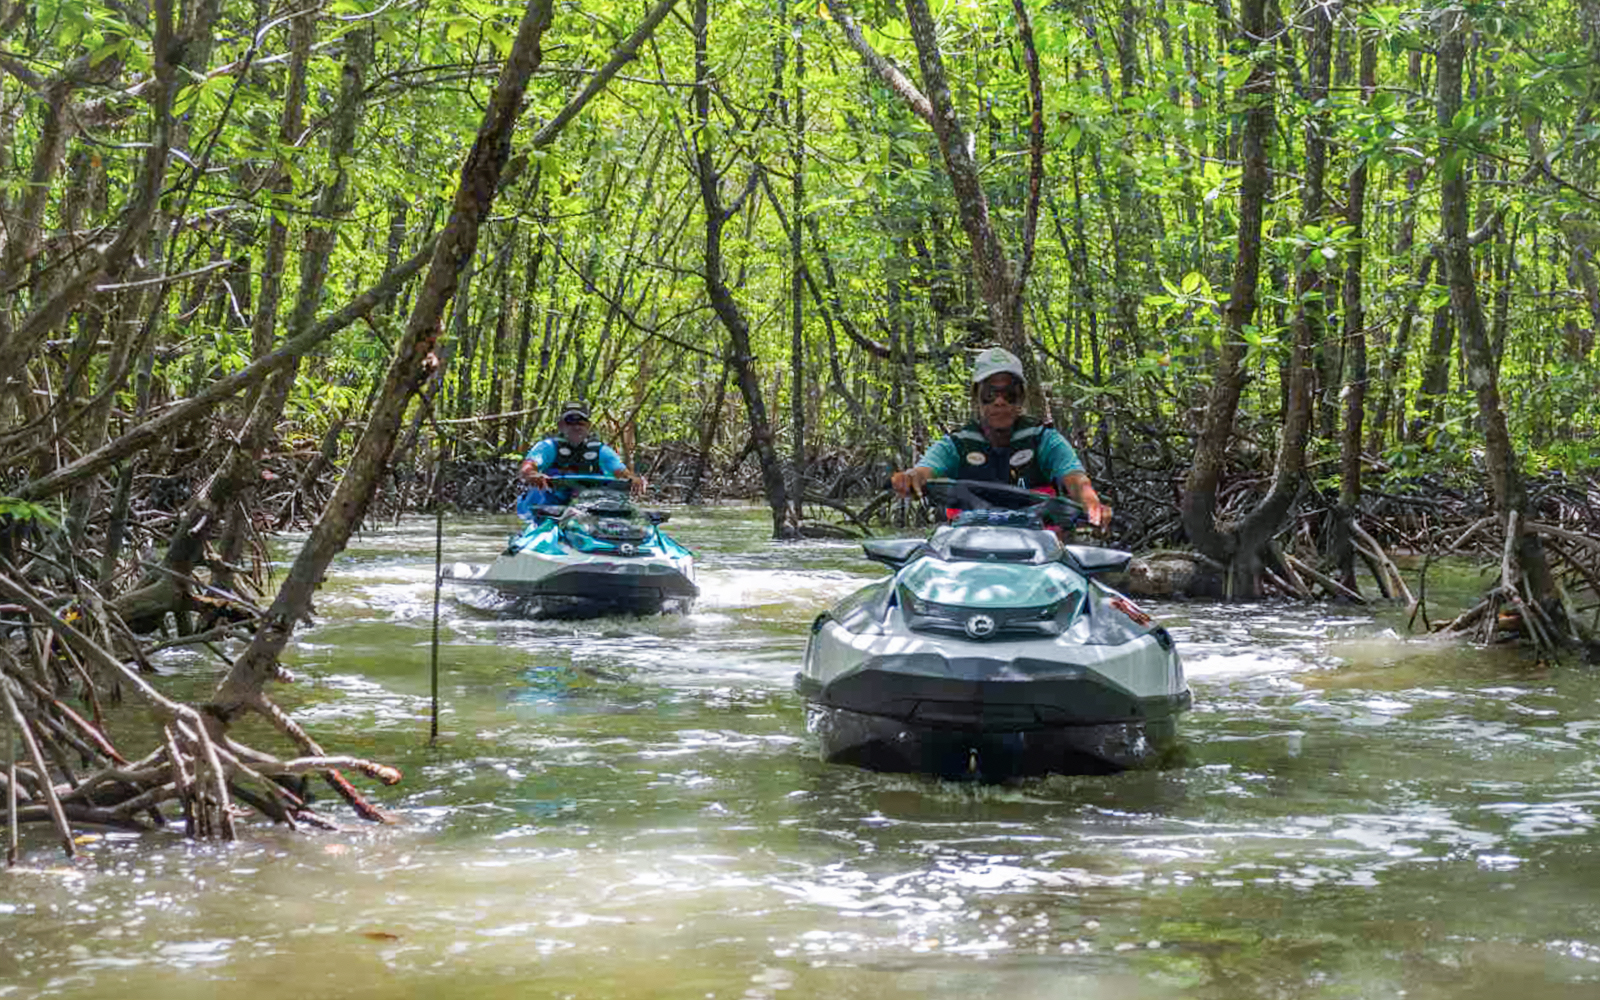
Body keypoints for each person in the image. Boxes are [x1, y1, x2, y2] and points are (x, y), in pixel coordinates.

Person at [889, 346, 1110, 529]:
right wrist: (910, 478)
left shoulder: (1044, 440)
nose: (999, 402)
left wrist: (1091, 505)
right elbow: (924, 470)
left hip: (1039, 551)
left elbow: (1076, 480)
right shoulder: (956, 445)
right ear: (976, 397)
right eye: (990, 394)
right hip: (968, 549)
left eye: (1009, 394)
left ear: (1021, 398)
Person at [518, 401, 644, 513]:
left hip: (589, 505)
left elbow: (622, 472)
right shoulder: (547, 447)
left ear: (588, 426)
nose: (576, 427)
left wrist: (634, 480)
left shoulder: (602, 451)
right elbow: (528, 466)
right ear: (561, 426)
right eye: (570, 422)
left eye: (581, 423)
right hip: (551, 505)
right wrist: (532, 474)